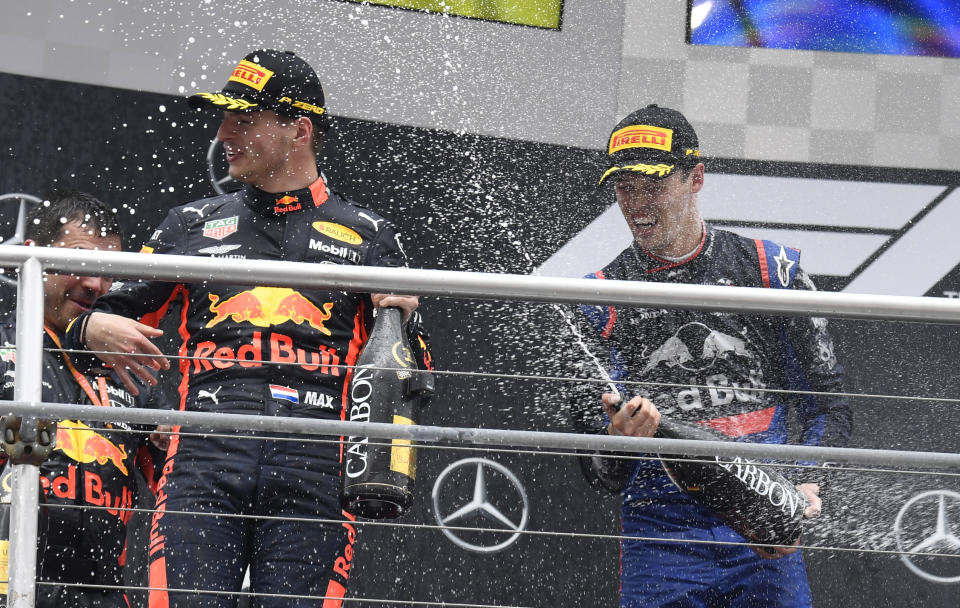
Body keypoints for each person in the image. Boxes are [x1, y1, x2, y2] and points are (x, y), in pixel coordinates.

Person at [63, 49, 431, 608]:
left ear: (298, 129)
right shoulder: (191, 225)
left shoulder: (370, 236)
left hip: (318, 468)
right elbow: (80, 331)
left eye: (242, 119)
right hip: (203, 457)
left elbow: (415, 376)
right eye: (225, 118)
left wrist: (403, 318)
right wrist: (90, 328)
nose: (223, 132)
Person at [569, 104, 853, 608]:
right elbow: (600, 473)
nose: (637, 204)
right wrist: (618, 439)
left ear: (696, 177)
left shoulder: (773, 271)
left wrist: (807, 482)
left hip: (761, 515)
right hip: (662, 536)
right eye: (623, 187)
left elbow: (828, 401)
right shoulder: (600, 298)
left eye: (651, 184)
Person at [0, 190, 162, 608]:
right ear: (31, 258)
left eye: (110, 271)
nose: (95, 284)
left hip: (102, 595)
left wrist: (173, 438)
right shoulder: (3, 350)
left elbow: (179, 489)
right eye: (81, 261)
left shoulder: (132, 373)